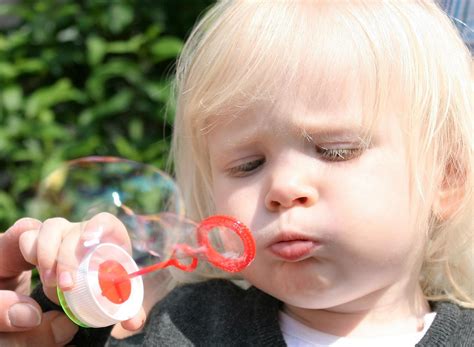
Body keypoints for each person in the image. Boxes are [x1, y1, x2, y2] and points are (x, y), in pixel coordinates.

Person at [1, 0, 473, 346]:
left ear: (446, 179)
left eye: (335, 151)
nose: (283, 189)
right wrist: (62, 301)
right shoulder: (174, 328)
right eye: (247, 165)